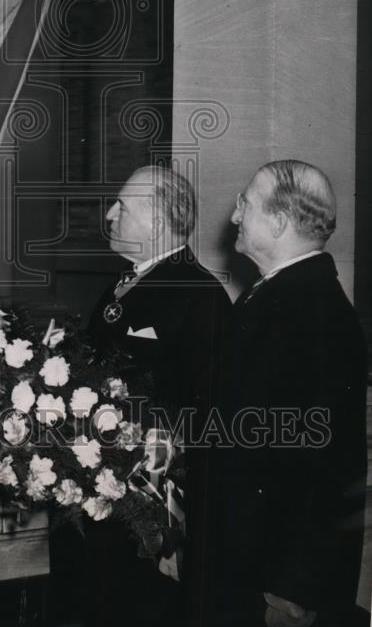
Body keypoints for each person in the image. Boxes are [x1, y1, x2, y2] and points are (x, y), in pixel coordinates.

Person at [80, 165, 232, 627]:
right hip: (103, 491)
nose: (110, 214)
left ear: (161, 222)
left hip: (154, 505)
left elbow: (208, 412)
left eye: (123, 206)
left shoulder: (199, 294)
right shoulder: (122, 284)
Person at [224, 160, 367, 627]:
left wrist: (291, 588)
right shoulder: (281, 297)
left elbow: (320, 461)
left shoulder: (310, 310)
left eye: (244, 204)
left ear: (280, 222)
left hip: (279, 581)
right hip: (256, 560)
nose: (234, 216)